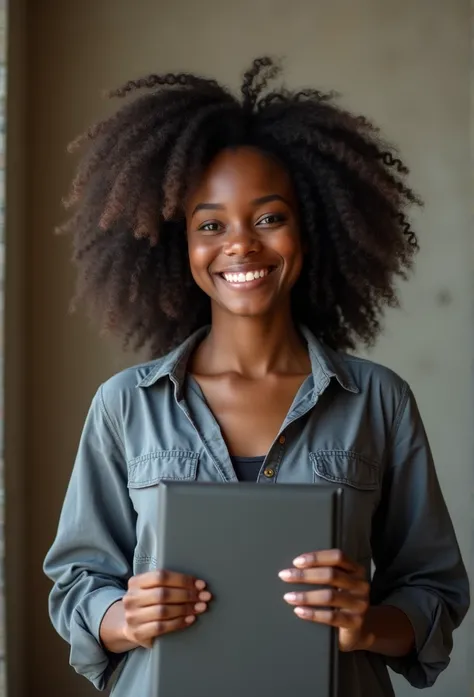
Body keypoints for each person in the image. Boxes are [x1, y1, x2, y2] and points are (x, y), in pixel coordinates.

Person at [43, 57, 469, 697]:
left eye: (269, 217)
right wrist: (121, 618)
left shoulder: (379, 401)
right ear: (176, 246)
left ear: (311, 229)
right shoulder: (124, 406)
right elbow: (78, 580)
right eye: (210, 225)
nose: (240, 245)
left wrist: (370, 623)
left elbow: (433, 590)